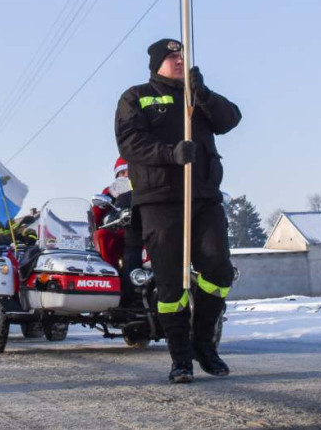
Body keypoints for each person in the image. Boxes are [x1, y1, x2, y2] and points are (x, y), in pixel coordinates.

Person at [115, 38, 241, 383]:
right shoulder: (135, 96)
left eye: (182, 55)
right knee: (171, 284)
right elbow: (130, 141)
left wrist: (205, 94)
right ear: (156, 62)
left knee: (218, 271)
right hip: (160, 199)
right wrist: (170, 153)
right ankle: (180, 359)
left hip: (203, 197)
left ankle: (204, 346)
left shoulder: (195, 95)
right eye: (172, 56)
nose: (178, 60)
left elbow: (230, 119)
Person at [105, 157, 143, 306]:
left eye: (129, 171)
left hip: (149, 233)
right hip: (123, 235)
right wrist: (110, 217)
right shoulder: (111, 191)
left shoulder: (147, 189)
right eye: (122, 172)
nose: (126, 175)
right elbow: (99, 213)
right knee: (130, 258)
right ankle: (127, 297)